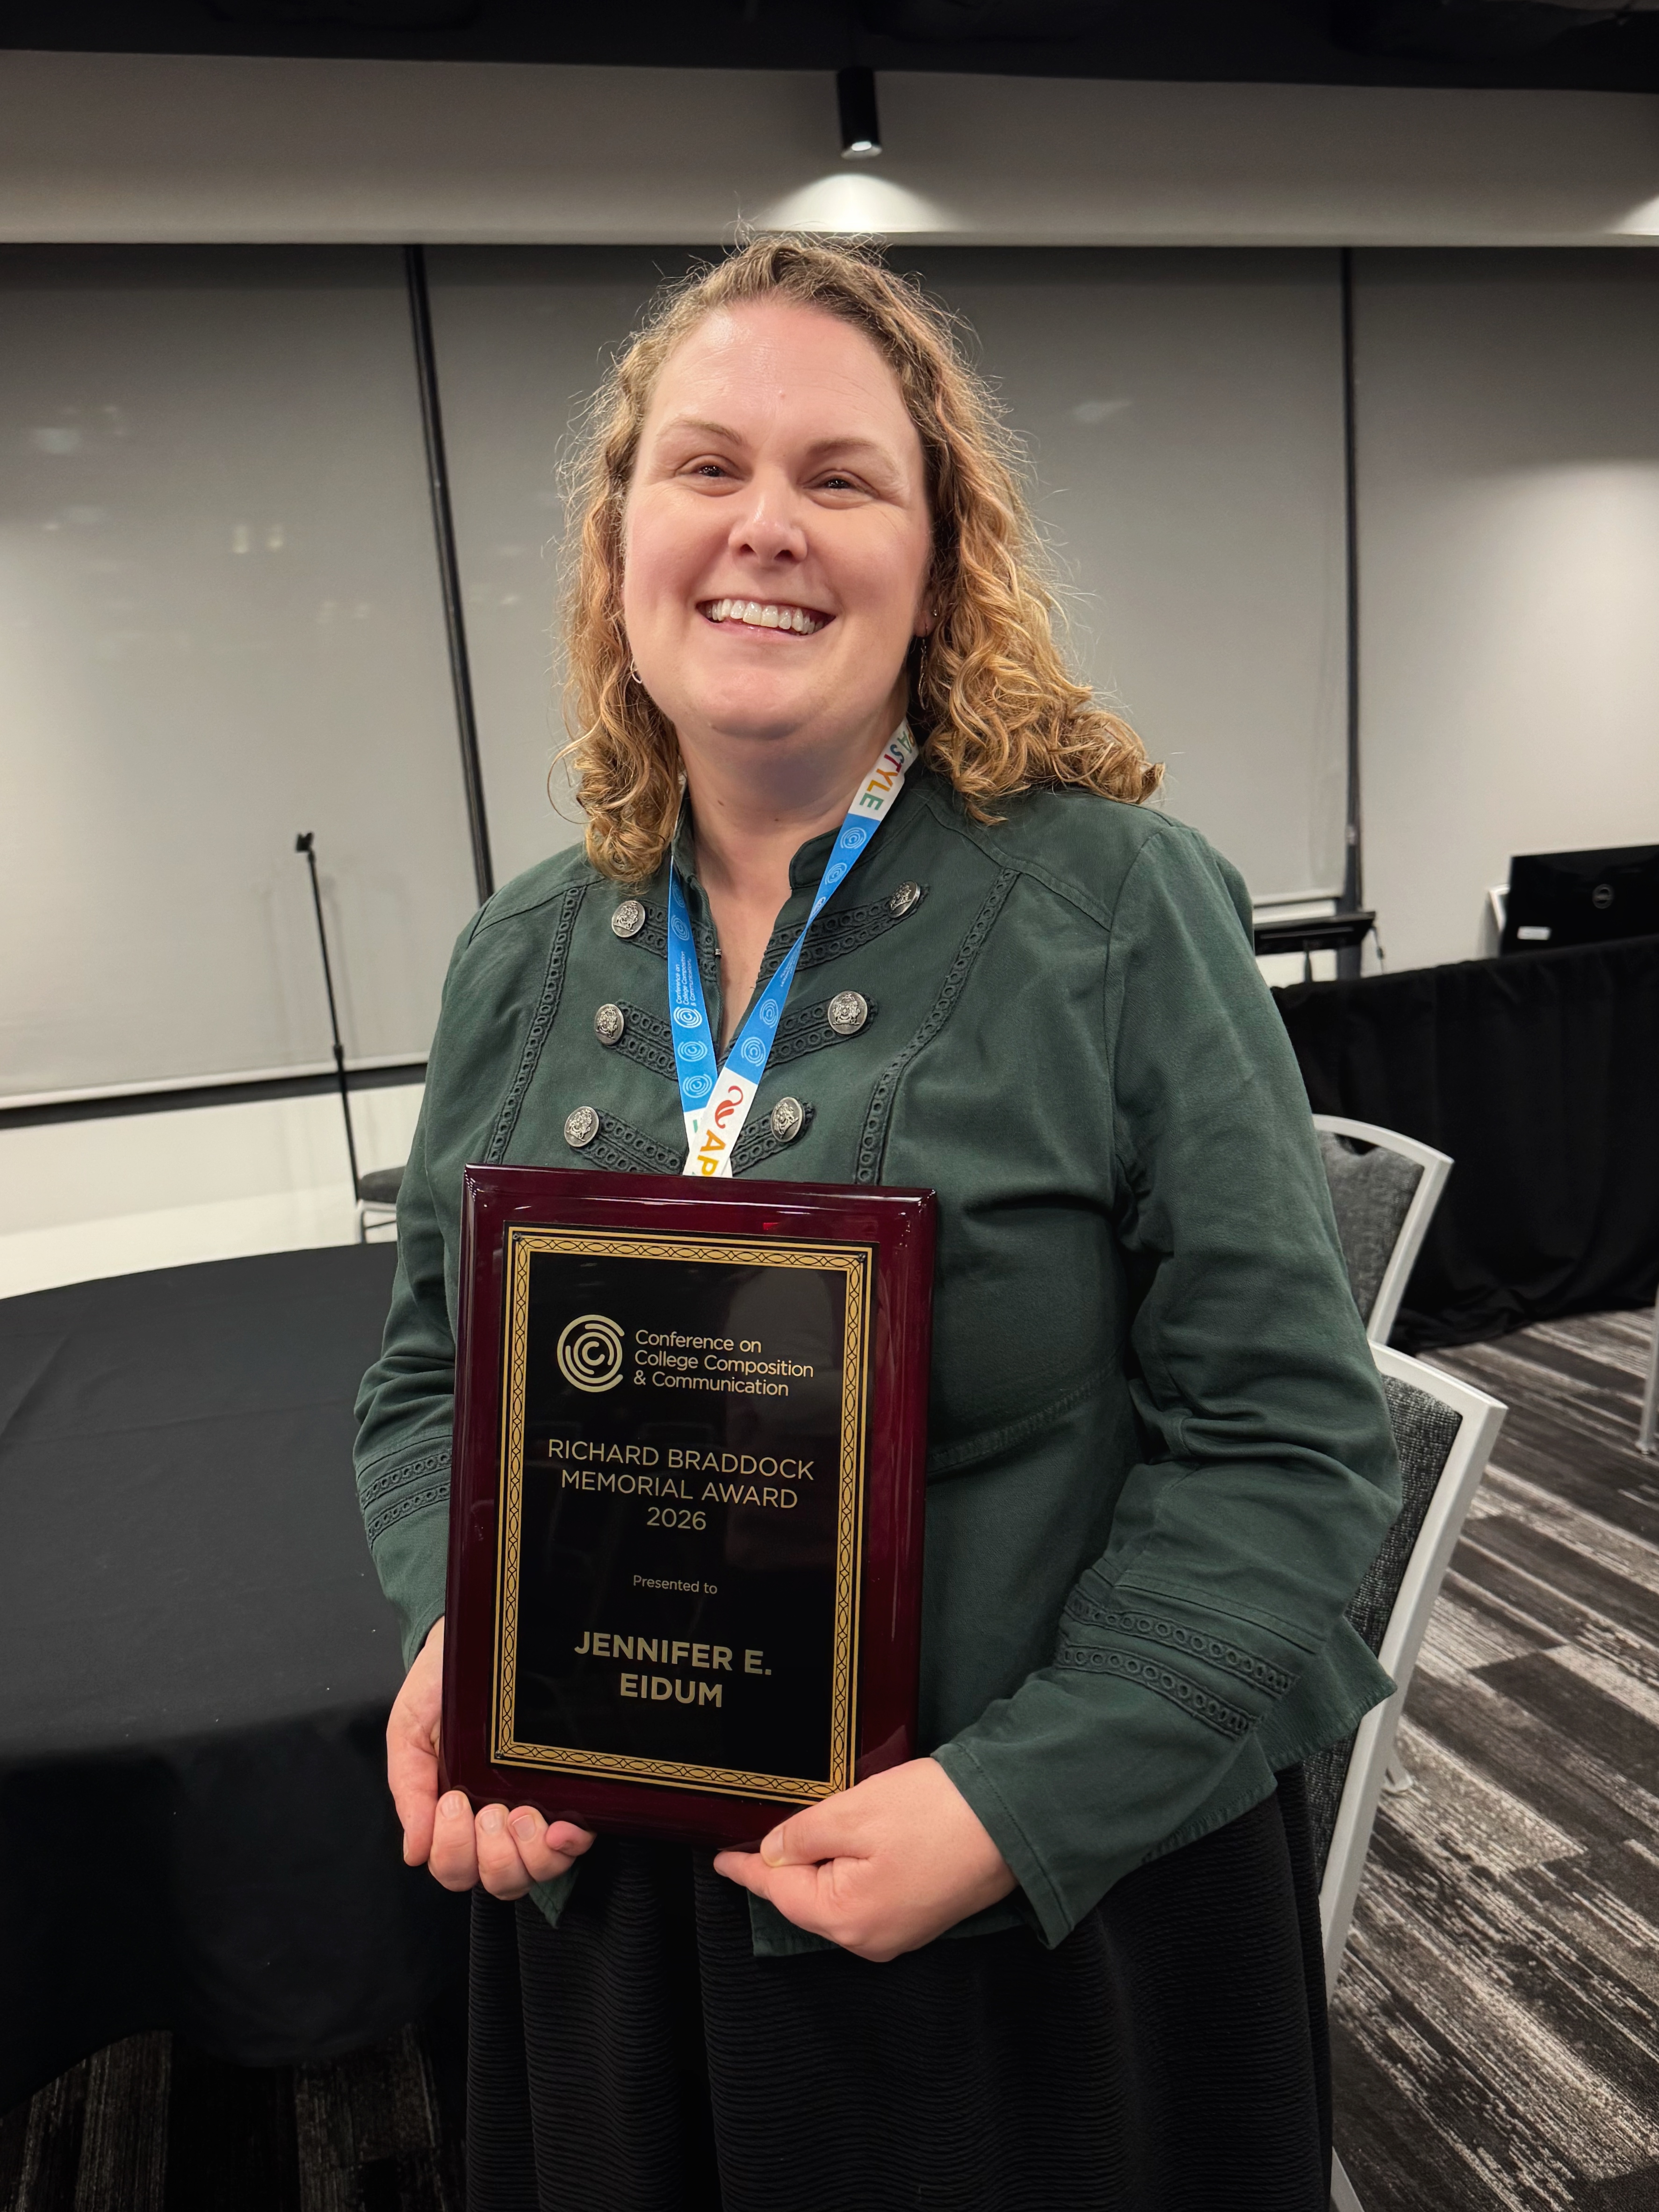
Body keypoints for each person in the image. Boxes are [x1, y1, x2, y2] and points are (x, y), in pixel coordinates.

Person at [354, 235, 1399, 2212]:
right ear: (620, 538)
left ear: (938, 560)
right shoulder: (520, 949)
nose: (766, 524)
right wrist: (458, 1637)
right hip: (615, 1925)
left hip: (1017, 1948)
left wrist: (1011, 1804)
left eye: (839, 478)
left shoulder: (1115, 905)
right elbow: (426, 1384)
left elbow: (1284, 1443)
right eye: (705, 465)